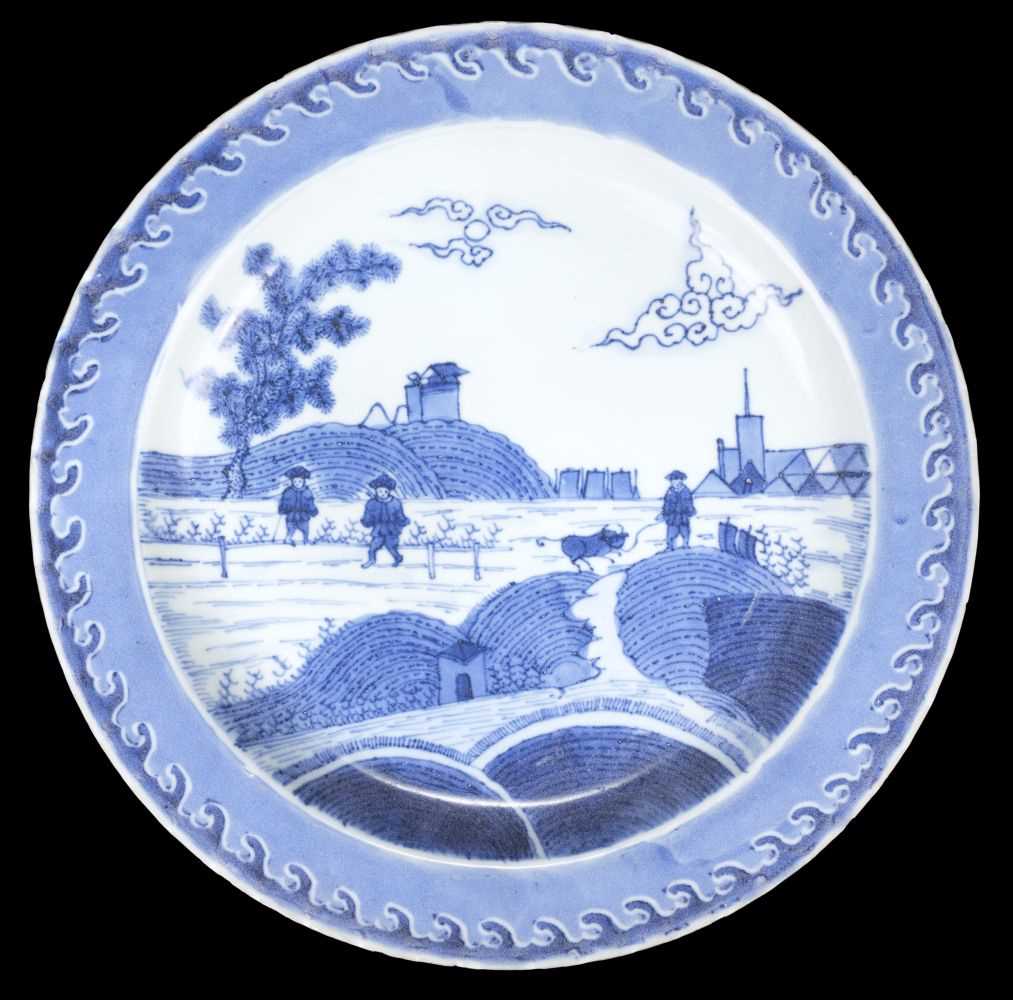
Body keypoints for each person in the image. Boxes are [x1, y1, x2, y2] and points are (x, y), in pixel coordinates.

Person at [360, 473, 410, 568]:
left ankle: (398, 558)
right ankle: (371, 560)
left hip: (391, 530)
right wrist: (366, 521)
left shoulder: (395, 503)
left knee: (391, 547)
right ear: (376, 491)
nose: (382, 493)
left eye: (385, 491)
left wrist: (403, 521)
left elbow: (399, 515)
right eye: (379, 491)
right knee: (373, 547)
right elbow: (368, 515)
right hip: (378, 530)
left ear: (388, 491)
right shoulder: (371, 503)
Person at [278, 465, 318, 545]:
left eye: (299, 481)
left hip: (303, 516)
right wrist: (282, 508)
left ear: (303, 481)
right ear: (292, 482)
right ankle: (288, 539)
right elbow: (284, 501)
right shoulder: (288, 492)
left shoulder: (307, 492)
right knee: (290, 529)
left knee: (305, 529)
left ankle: (306, 540)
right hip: (292, 515)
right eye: (295, 481)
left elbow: (310, 503)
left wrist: (313, 510)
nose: (297, 483)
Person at [658, 469, 696, 549]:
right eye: (672, 480)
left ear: (681, 480)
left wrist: (690, 511)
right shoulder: (669, 492)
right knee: (671, 535)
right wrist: (664, 514)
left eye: (676, 479)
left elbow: (689, 503)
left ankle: (685, 545)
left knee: (685, 533)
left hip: (683, 518)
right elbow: (666, 505)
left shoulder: (686, 491)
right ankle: (670, 546)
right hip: (672, 519)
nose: (673, 482)